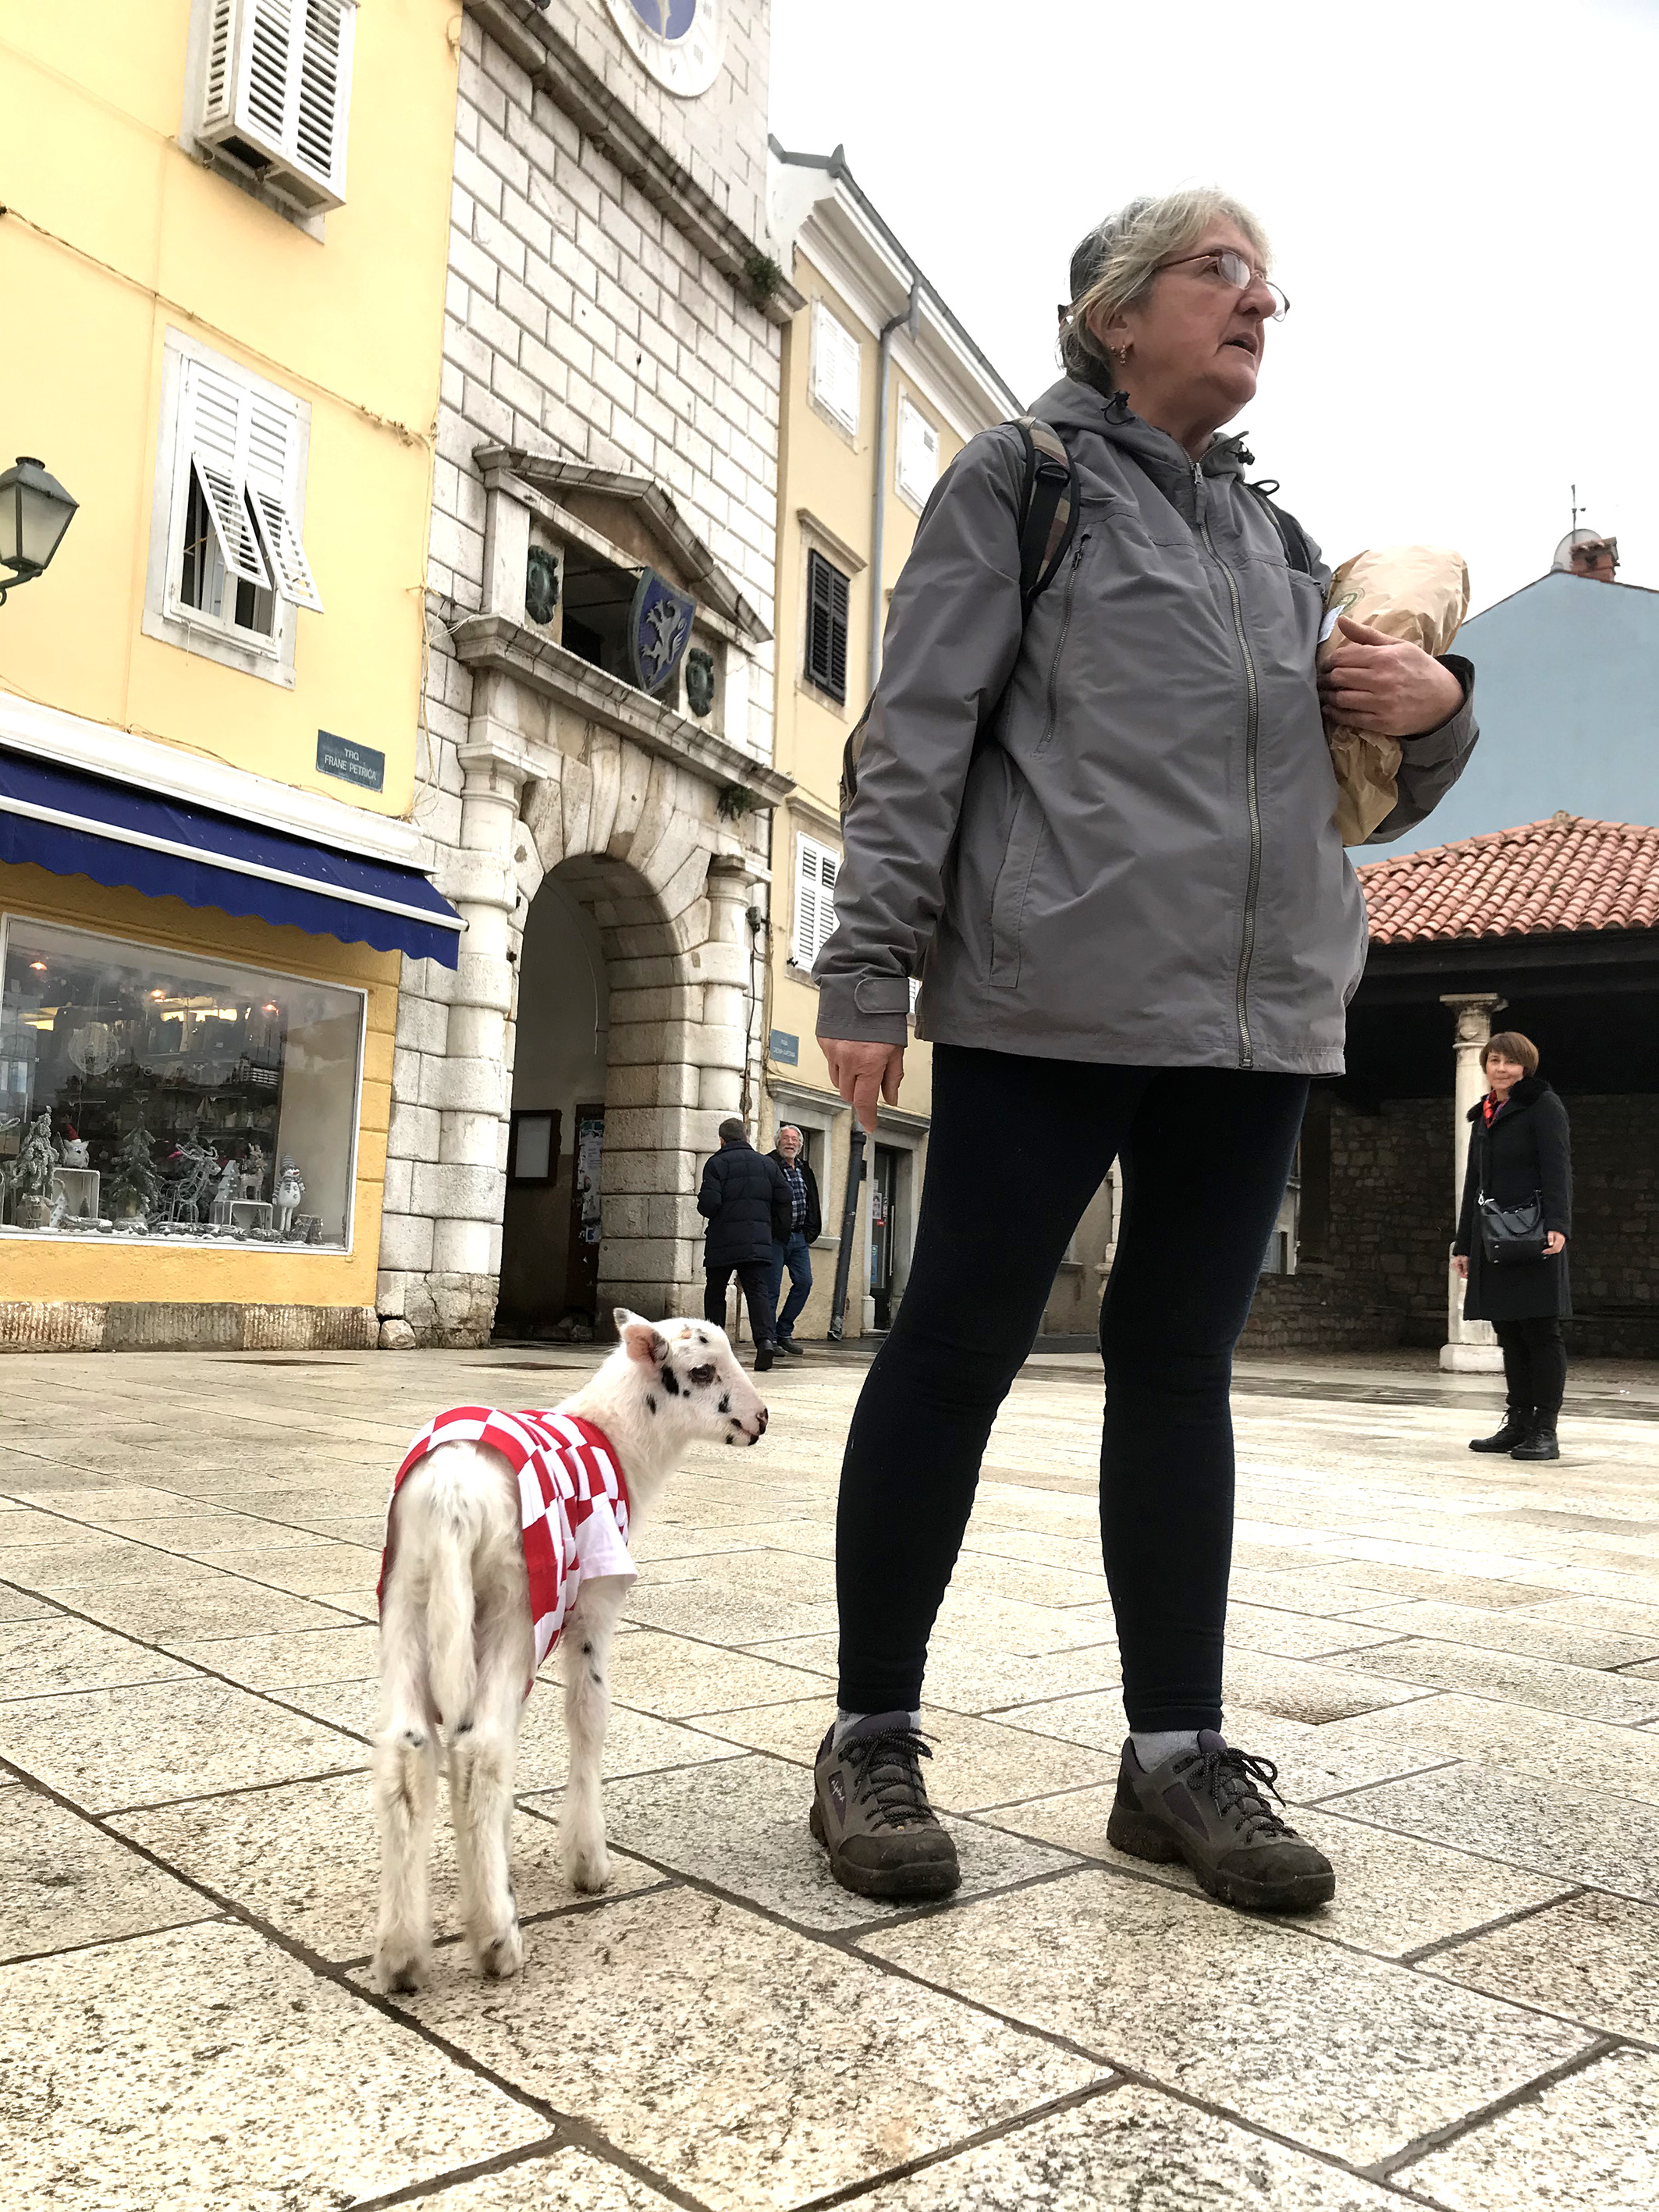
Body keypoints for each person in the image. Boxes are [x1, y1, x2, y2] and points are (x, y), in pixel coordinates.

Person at [807, 188, 1477, 1912]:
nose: (1262, 301)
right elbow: (914, 735)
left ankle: (1173, 1758)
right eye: (1220, 272)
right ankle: (868, 1733)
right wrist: (867, 969)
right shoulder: (1019, 484)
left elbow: (1361, 791)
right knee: (954, 1346)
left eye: (1267, 280)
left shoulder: (1274, 542)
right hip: (1052, 992)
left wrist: (1438, 713)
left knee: (1178, 1371)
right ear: (1115, 313)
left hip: (1251, 1019)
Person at [1455, 1032, 1572, 1461]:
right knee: (1509, 1330)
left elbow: (1558, 1167)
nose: (1501, 1069)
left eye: (1511, 1062)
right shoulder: (1484, 1114)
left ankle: (1545, 1429)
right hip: (1494, 1237)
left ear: (1527, 1067)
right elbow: (1474, 1185)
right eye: (1494, 1060)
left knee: (1541, 1330)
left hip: (1535, 1234)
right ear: (1485, 1065)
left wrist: (1558, 1223)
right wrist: (1463, 1243)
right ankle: (1519, 1421)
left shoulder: (1542, 1105)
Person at [698, 1117, 792, 1372]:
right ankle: (765, 1342)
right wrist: (776, 1231)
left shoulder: (716, 1163)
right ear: (746, 1136)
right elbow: (785, 1197)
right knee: (757, 1292)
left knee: (716, 1291)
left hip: (723, 1240)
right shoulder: (767, 1165)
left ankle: (715, 1348)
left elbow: (710, 1204)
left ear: (722, 1139)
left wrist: (702, 1203)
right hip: (756, 1240)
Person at [767, 1124, 821, 1355]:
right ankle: (769, 1340)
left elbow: (813, 1201)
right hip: (776, 1238)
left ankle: (784, 1331)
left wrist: (811, 1231)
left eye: (794, 1140)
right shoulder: (769, 1165)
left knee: (804, 1283)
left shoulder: (804, 1168)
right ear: (778, 1142)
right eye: (786, 1139)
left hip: (799, 1237)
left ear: (800, 1145)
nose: (790, 1143)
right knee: (771, 1289)